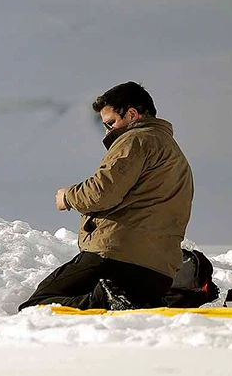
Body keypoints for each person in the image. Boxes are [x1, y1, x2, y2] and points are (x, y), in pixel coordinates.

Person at [19, 81, 193, 311]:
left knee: (37, 306)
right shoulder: (174, 154)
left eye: (111, 123)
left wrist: (68, 197)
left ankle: (105, 300)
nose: (108, 131)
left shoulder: (135, 140)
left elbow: (103, 192)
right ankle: (126, 302)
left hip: (117, 257)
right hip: (159, 272)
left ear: (132, 114)